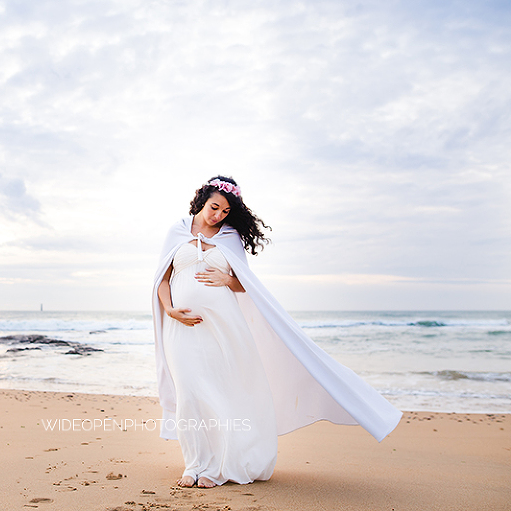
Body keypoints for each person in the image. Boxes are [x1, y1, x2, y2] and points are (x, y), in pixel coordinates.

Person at [151, 176, 402, 488]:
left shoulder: (230, 237)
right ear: (202, 199)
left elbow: (246, 284)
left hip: (224, 328)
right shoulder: (177, 231)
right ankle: (194, 465)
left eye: (225, 211)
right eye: (214, 207)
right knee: (189, 392)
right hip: (183, 328)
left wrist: (227, 280)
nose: (218, 215)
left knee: (222, 393)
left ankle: (218, 468)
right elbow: (162, 279)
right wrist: (171, 310)